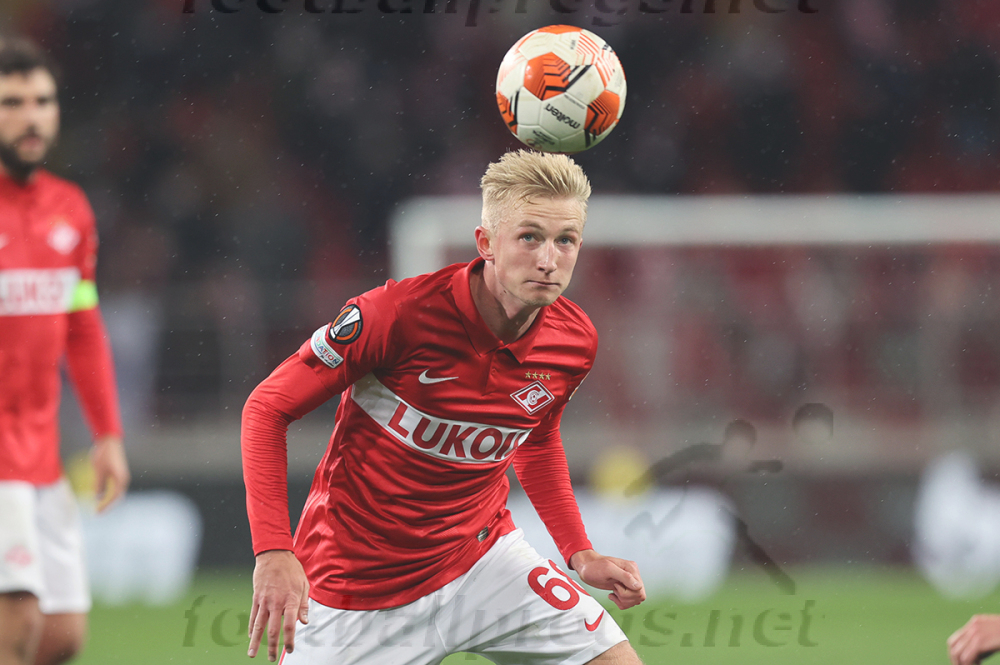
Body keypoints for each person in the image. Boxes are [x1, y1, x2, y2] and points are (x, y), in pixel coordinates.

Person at [242, 149, 647, 664]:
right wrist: (273, 550)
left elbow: (537, 438)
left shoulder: (574, 341)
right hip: (355, 589)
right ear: (486, 243)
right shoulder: (394, 316)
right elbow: (266, 408)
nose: (548, 260)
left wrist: (578, 552)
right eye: (529, 237)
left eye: (564, 240)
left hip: (484, 562)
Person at [0, 37, 130, 665]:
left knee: (62, 636)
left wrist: (107, 434)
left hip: (42, 456)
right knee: (19, 617)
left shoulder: (70, 210)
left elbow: (82, 329)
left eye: (43, 101)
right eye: (12, 103)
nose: (32, 117)